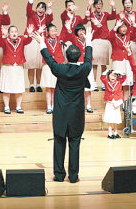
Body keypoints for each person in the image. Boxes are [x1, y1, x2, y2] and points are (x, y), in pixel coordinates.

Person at [32, 25, 93, 184]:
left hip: (60, 113)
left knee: (59, 143)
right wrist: (89, 41)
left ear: (66, 57)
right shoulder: (84, 69)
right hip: (77, 115)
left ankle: (59, 175)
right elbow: (88, 58)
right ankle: (73, 176)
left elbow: (49, 59)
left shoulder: (60, 69)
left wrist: (41, 42)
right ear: (78, 57)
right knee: (75, 144)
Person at [0, 25, 33, 114]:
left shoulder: (21, 39)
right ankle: (6, 107)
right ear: (9, 33)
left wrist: (29, 34)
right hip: (7, 67)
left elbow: (28, 41)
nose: (14, 33)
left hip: (18, 67)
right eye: (12, 32)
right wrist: (3, 35)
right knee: (7, 88)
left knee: (19, 88)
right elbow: (0, 43)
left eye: (16, 31)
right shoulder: (5, 40)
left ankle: (18, 106)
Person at [24, 0, 53, 93]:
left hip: (41, 42)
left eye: (43, 8)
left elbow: (51, 18)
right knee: (31, 65)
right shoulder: (31, 14)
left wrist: (49, 8)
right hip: (31, 41)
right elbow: (28, 9)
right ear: (36, 9)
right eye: (39, 7)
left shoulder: (46, 17)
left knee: (40, 65)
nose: (41, 9)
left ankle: (39, 84)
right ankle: (31, 85)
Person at [86, 0, 116, 86]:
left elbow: (113, 16)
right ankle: (94, 83)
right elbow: (87, 15)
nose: (98, 5)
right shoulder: (92, 15)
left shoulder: (105, 14)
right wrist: (89, 5)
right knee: (94, 64)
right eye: (96, 4)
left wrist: (113, 6)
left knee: (104, 64)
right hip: (95, 40)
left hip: (104, 40)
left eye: (100, 4)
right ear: (94, 6)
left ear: (102, 5)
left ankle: (104, 84)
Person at [40, 24, 65, 114]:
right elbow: (39, 38)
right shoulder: (45, 40)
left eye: (55, 30)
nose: (54, 32)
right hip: (47, 65)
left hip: (58, 65)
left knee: (56, 87)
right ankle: (48, 106)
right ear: (48, 32)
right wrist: (39, 31)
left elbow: (68, 34)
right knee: (48, 87)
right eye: (52, 31)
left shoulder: (60, 39)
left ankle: (55, 106)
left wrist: (69, 28)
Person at [101, 69, 126, 139]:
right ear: (108, 76)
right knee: (109, 118)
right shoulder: (106, 82)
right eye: (111, 75)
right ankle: (110, 133)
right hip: (109, 101)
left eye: (115, 76)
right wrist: (106, 71)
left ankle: (115, 132)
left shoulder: (119, 81)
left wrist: (119, 72)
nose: (113, 77)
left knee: (116, 118)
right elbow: (102, 77)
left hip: (116, 102)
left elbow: (124, 77)